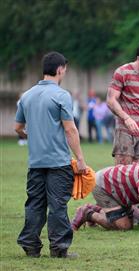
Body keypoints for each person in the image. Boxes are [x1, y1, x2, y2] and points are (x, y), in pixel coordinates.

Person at [15, 52, 87, 258]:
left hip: (35, 162)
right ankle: (59, 248)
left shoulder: (26, 95)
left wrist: (32, 135)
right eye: (65, 68)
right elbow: (70, 129)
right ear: (60, 70)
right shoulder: (61, 95)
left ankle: (30, 245)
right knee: (57, 205)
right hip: (58, 162)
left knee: (34, 203)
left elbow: (18, 127)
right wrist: (80, 159)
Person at [71, 157, 139, 234]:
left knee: (129, 225)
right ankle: (88, 213)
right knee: (123, 226)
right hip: (104, 186)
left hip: (119, 189)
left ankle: (95, 209)